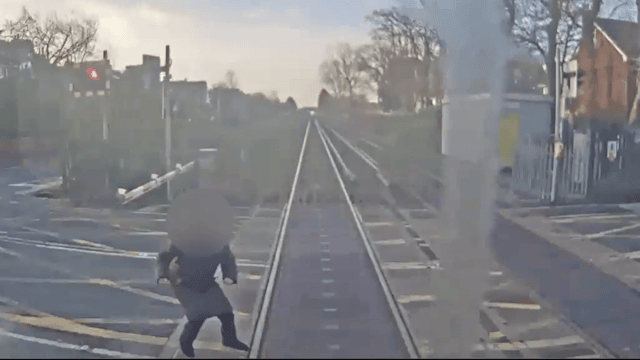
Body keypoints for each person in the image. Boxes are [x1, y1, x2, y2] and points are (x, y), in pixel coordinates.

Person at [157, 243, 250, 357]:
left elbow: (228, 259)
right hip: (185, 283)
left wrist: (229, 275)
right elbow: (164, 257)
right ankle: (186, 342)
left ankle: (229, 339)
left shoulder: (218, 241)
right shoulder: (186, 239)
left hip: (207, 281)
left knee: (226, 312)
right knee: (197, 315)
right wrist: (163, 274)